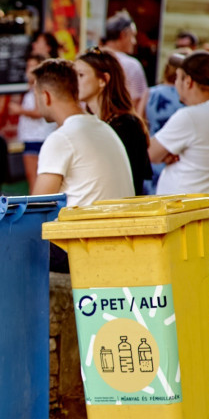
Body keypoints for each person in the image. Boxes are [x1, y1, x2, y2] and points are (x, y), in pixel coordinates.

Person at [30, 59, 133, 272]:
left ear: (46, 96)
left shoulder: (61, 138)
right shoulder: (105, 129)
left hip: (83, 251)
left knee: (14, 243)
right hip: (119, 243)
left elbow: (35, 209)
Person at [148, 50, 209, 238]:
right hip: (203, 228)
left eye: (177, 78)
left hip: (181, 230)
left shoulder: (190, 117)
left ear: (188, 82)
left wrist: (168, 155)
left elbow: (150, 154)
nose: (174, 84)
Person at [75, 48, 152, 196]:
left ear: (103, 80)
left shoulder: (126, 125)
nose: (75, 82)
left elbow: (134, 180)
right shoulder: (89, 122)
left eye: (81, 75)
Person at [11, 52, 57, 192]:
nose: (29, 71)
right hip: (38, 136)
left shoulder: (38, 89)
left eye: (33, 67)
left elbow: (39, 112)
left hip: (36, 137)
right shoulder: (33, 88)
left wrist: (19, 110)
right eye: (28, 67)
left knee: (34, 180)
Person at [144, 51, 187, 193]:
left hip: (152, 152)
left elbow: (140, 121)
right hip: (176, 156)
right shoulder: (185, 97)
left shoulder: (150, 93)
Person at [102, 10, 148, 116]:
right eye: (133, 36)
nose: (134, 42)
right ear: (123, 35)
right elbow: (138, 104)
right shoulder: (132, 65)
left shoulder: (90, 59)